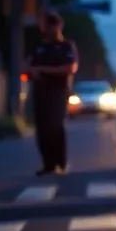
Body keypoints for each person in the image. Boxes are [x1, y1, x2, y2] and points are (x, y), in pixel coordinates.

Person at [26, 12, 79, 176]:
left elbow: (70, 68)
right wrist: (31, 71)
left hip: (58, 91)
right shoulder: (39, 47)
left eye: (46, 25)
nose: (43, 29)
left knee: (55, 126)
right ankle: (48, 164)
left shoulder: (66, 46)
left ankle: (60, 162)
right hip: (40, 91)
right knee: (41, 128)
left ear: (56, 26)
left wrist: (44, 70)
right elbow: (26, 65)